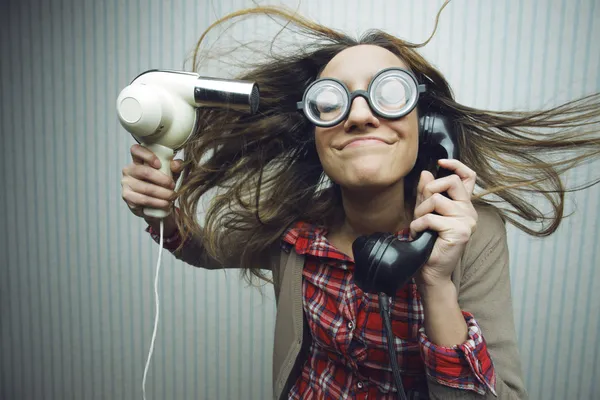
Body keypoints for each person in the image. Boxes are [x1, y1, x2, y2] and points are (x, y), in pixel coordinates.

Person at [120, 5, 600, 400]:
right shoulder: (295, 231)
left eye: (390, 93)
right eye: (331, 102)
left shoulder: (475, 234)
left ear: (427, 128)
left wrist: (436, 281)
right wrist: (158, 209)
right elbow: (206, 249)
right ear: (315, 134)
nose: (361, 115)